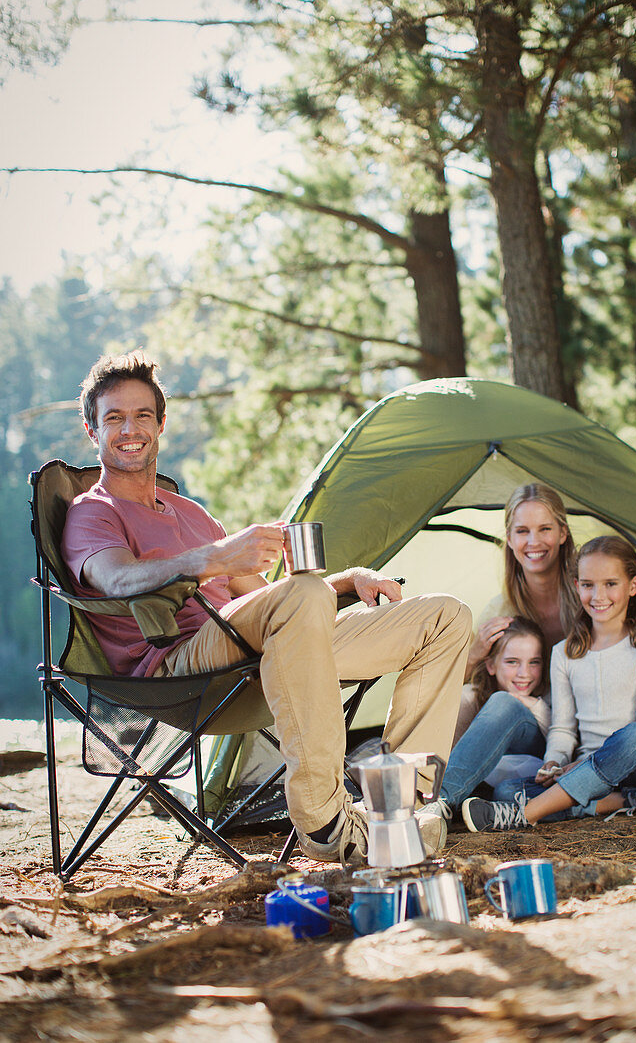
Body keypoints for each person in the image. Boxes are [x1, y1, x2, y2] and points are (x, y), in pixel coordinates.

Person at [61, 352, 472, 866]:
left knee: (444, 617)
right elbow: (117, 579)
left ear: (161, 423)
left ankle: (406, 802)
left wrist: (349, 579)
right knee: (301, 597)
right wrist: (213, 557)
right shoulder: (91, 513)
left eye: (143, 415)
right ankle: (325, 821)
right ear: (91, 430)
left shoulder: (190, 513)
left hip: (257, 650)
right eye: (114, 418)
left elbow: (265, 596)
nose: (130, 429)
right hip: (178, 663)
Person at [469, 483, 636, 795]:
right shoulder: (502, 610)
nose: (534, 541)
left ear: (563, 533)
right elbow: (474, 683)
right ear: (509, 539)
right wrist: (474, 655)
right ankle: (452, 792)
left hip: (623, 727)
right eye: (523, 531)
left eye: (545, 529)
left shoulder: (597, 589)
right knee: (480, 706)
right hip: (554, 731)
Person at [462, 536, 636, 830]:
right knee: (506, 791)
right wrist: (553, 762)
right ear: (577, 586)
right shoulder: (564, 653)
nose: (598, 595)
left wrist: (584, 765)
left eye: (610, 584)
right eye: (588, 585)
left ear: (633, 586)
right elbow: (563, 728)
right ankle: (626, 801)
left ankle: (525, 815)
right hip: (586, 768)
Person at [416, 617, 551, 832]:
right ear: (491, 665)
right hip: (497, 784)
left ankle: (440, 800)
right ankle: (442, 803)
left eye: (534, 662)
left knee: (504, 701)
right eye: (512, 662)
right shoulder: (472, 698)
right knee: (505, 793)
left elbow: (561, 737)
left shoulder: (548, 697)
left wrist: (532, 704)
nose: (524, 673)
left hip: (539, 765)